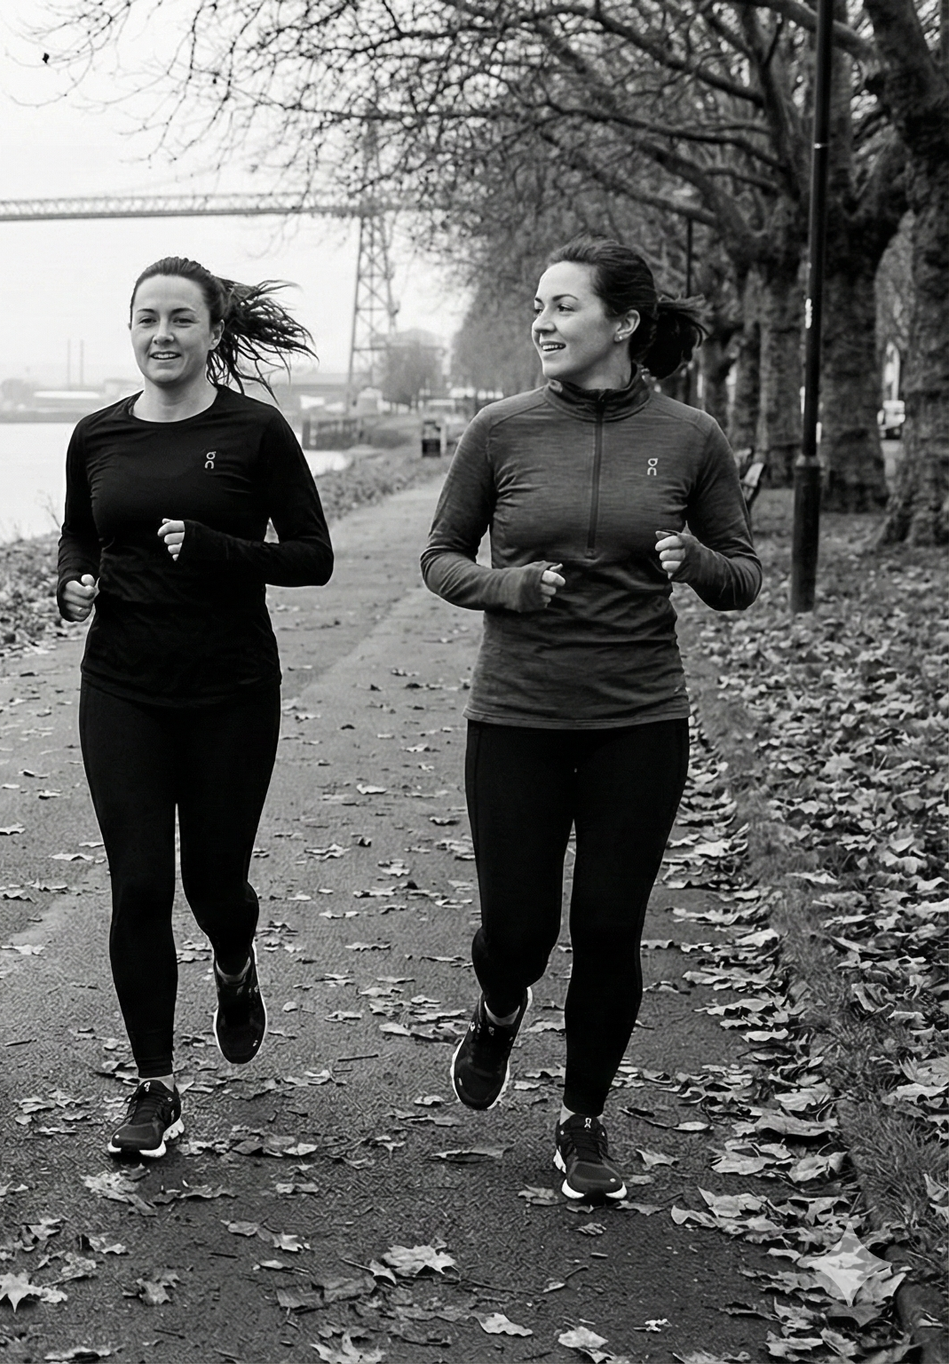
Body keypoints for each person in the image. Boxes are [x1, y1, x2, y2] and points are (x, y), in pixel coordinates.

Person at [423, 236, 759, 1202]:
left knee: (609, 926)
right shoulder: (500, 430)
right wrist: (507, 586)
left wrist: (694, 561)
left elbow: (742, 578)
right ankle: (497, 1008)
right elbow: (441, 556)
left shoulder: (692, 438)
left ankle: (583, 1120)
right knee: (517, 933)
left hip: (638, 722)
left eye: (563, 307)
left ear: (622, 323)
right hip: (518, 719)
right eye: (538, 305)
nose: (542, 322)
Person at [55, 257, 333, 1161]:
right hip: (123, 688)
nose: (161, 335)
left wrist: (218, 547)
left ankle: (237, 964)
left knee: (215, 886)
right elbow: (79, 532)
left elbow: (311, 556)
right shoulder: (97, 436)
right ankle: (154, 1085)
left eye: (180, 319)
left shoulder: (255, 431)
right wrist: (72, 583)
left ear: (215, 332)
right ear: (129, 330)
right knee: (138, 884)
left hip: (230, 691)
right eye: (146, 319)